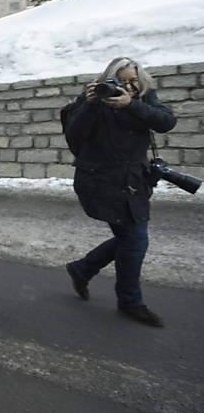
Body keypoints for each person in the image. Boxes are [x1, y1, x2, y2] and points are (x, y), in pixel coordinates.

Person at [63, 57, 176, 327]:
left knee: (131, 238)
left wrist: (133, 104)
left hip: (134, 183)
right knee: (135, 239)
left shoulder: (144, 99)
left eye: (132, 81)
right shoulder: (92, 101)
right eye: (120, 81)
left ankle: (83, 269)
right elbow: (74, 137)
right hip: (100, 183)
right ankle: (129, 301)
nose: (126, 87)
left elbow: (166, 121)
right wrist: (89, 105)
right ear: (106, 81)